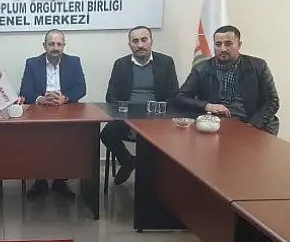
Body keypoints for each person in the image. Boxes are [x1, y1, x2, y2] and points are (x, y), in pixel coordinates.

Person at [101, 26, 180, 184]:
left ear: (151, 41)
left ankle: (154, 180)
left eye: (144, 40)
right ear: (129, 44)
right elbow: (111, 96)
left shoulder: (166, 62)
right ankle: (128, 162)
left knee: (153, 143)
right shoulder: (121, 64)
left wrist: (158, 113)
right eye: (135, 41)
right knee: (106, 134)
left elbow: (173, 95)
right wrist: (126, 114)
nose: (140, 45)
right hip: (128, 118)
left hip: (156, 120)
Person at [174, 25, 280, 134]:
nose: (223, 49)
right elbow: (180, 98)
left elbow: (272, 101)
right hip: (215, 125)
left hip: (251, 123)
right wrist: (207, 106)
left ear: (239, 45)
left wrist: (252, 125)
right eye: (218, 44)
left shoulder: (258, 66)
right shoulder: (201, 68)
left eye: (228, 44)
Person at [19, 29, 87, 199]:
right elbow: (25, 91)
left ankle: (60, 180)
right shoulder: (32, 63)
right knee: (37, 138)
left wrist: (65, 98)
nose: (55, 47)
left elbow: (81, 88)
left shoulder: (74, 62)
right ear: (44, 46)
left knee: (69, 137)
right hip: (39, 110)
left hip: (66, 109)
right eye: (51, 44)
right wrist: (41, 99)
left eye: (59, 44)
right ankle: (40, 180)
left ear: (64, 45)